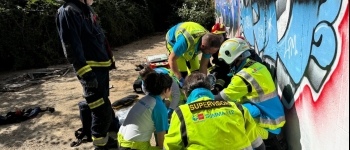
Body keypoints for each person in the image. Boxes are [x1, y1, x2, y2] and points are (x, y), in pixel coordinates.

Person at [56, 0, 118, 149]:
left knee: (106, 107)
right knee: (100, 110)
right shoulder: (68, 11)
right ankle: (100, 145)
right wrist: (86, 74)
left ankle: (109, 139)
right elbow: (72, 48)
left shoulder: (85, 9)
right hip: (90, 70)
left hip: (100, 68)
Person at [164, 72, 265, 150]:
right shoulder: (238, 108)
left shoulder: (181, 113)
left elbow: (170, 146)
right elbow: (259, 145)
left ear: (185, 93)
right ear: (209, 89)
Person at [214, 38, 286, 140]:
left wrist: (203, 97)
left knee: (229, 121)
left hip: (267, 126)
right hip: (275, 120)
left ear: (232, 58)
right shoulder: (258, 66)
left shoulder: (242, 77)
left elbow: (223, 97)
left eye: (225, 61)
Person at [118, 72, 172, 150]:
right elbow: (162, 143)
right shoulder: (159, 107)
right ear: (167, 90)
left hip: (122, 140)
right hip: (134, 146)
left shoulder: (145, 99)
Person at [165, 22, 223, 86]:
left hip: (194, 44)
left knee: (197, 73)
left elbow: (203, 66)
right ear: (203, 46)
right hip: (173, 41)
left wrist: (204, 83)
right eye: (209, 53)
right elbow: (171, 60)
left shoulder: (209, 42)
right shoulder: (183, 42)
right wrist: (180, 79)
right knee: (182, 74)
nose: (209, 54)